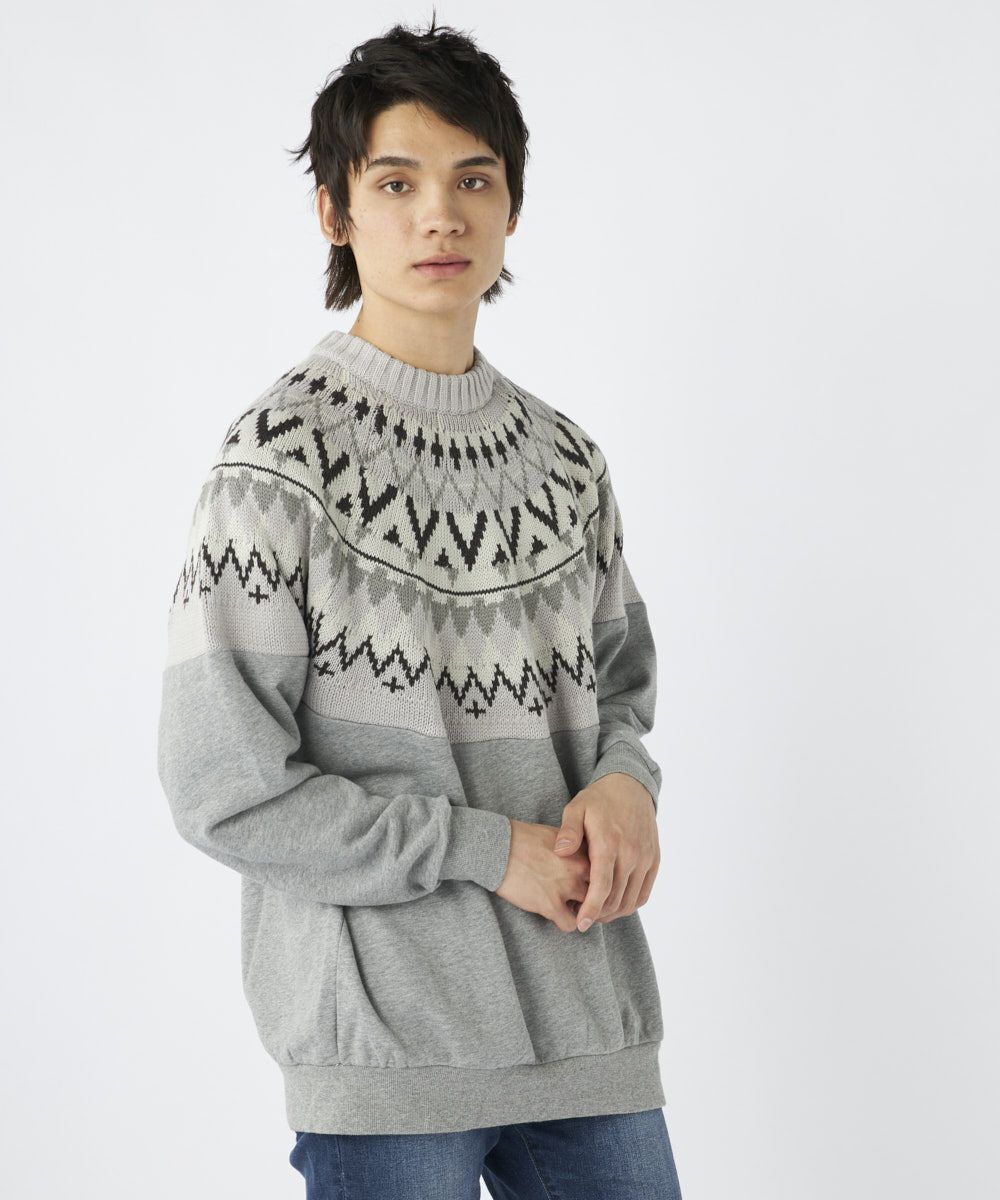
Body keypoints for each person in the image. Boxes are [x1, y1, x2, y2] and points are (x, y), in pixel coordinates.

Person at [156, 11, 683, 1199]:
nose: (440, 215)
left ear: (510, 207)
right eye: (396, 182)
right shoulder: (274, 468)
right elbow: (221, 787)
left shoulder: (567, 462)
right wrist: (481, 850)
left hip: (588, 1029)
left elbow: (622, 692)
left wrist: (624, 784)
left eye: (472, 180)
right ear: (335, 213)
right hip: (387, 1047)